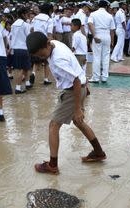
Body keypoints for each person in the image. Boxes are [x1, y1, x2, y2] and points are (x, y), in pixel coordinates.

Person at [26, 32, 106, 175]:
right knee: (79, 122)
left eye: (41, 54)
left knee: (53, 125)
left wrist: (77, 108)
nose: (41, 57)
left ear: (46, 44)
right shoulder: (55, 44)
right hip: (78, 88)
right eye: (38, 56)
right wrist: (84, 89)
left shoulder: (58, 59)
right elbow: (76, 72)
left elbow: (75, 80)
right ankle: (99, 152)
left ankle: (52, 165)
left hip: (73, 91)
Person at [88, 0, 115, 83]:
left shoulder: (93, 14)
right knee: (106, 57)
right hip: (107, 35)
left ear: (98, 6)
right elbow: (112, 30)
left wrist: (94, 35)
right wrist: (112, 41)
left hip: (98, 34)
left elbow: (90, 24)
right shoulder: (109, 16)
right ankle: (104, 77)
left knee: (96, 57)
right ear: (106, 6)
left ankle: (96, 78)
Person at [11, 7, 32, 94]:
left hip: (15, 49)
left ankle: (27, 83)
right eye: (27, 14)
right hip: (24, 48)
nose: (28, 15)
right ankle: (18, 88)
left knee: (22, 68)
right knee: (24, 68)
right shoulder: (25, 25)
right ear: (23, 14)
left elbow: (12, 37)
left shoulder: (13, 25)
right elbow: (29, 37)